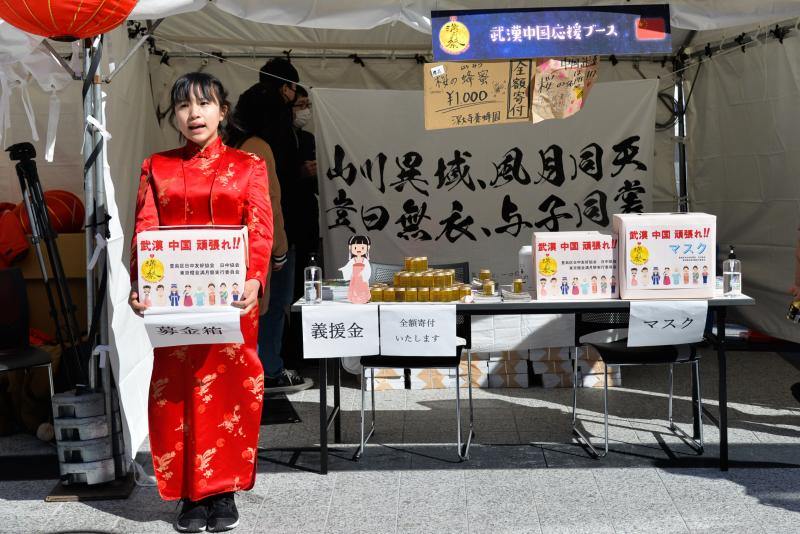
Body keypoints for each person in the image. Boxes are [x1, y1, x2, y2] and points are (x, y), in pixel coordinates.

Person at [129, 72, 273, 533]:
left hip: (232, 302)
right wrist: (139, 284)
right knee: (178, 390)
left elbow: (260, 227)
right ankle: (189, 494)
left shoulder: (248, 165)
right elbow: (144, 230)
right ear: (174, 115)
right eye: (183, 106)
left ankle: (224, 490)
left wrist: (255, 279)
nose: (194, 114)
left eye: (204, 103)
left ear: (222, 111)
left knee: (231, 388)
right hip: (176, 303)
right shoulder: (157, 166)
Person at [226, 78, 312, 393]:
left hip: (238, 245)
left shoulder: (234, 144)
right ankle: (269, 370)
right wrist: (280, 249)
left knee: (252, 311)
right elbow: (269, 203)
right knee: (272, 307)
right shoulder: (259, 147)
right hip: (264, 246)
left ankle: (255, 369)